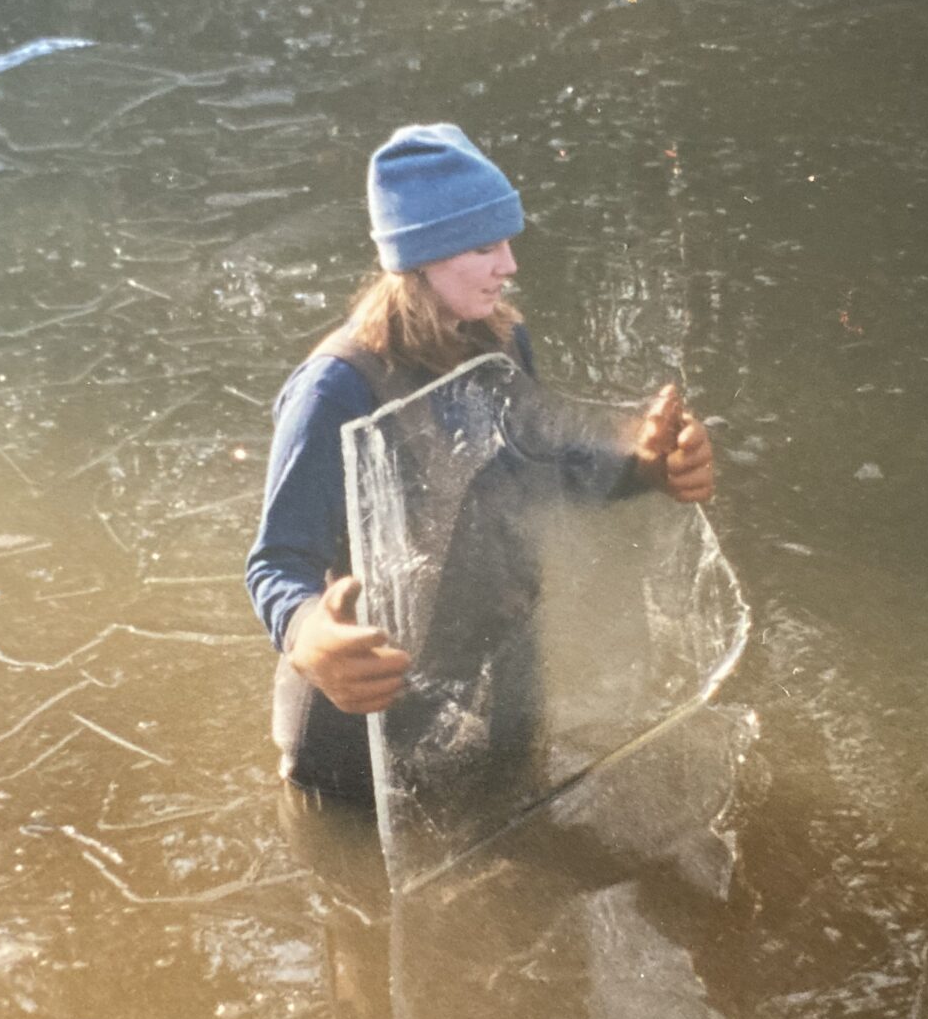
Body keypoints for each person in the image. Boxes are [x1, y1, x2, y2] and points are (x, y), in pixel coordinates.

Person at [245, 123, 715, 805]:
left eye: (507, 240)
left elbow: (537, 470)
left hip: (487, 672)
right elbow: (276, 560)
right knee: (358, 878)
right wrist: (309, 633)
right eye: (483, 244)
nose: (510, 264)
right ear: (421, 257)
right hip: (363, 701)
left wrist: (643, 468)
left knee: (521, 841)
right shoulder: (336, 387)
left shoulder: (499, 340)